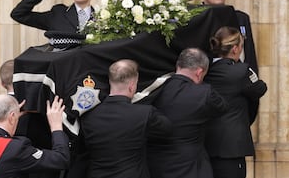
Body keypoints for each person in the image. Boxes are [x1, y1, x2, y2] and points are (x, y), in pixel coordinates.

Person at [79, 59, 172, 178]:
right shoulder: (144, 114)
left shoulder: (88, 116)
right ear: (132, 86)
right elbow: (167, 130)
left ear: (109, 81)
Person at [146, 48, 228, 178]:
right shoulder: (204, 93)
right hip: (191, 168)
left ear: (178, 65)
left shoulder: (155, 89)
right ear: (200, 72)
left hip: (156, 167)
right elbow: (222, 107)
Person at [204, 26, 267, 178]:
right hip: (232, 147)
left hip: (206, 143)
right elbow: (259, 88)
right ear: (235, 49)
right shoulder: (241, 71)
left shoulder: (206, 69)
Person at [180, 0, 258, 75]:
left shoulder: (240, 18)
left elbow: (249, 55)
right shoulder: (194, 17)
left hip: (235, 80)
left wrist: (252, 81)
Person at [0, 94, 70, 178]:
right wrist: (56, 127)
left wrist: (14, 115)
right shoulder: (16, 149)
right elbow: (61, 159)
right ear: (12, 117)